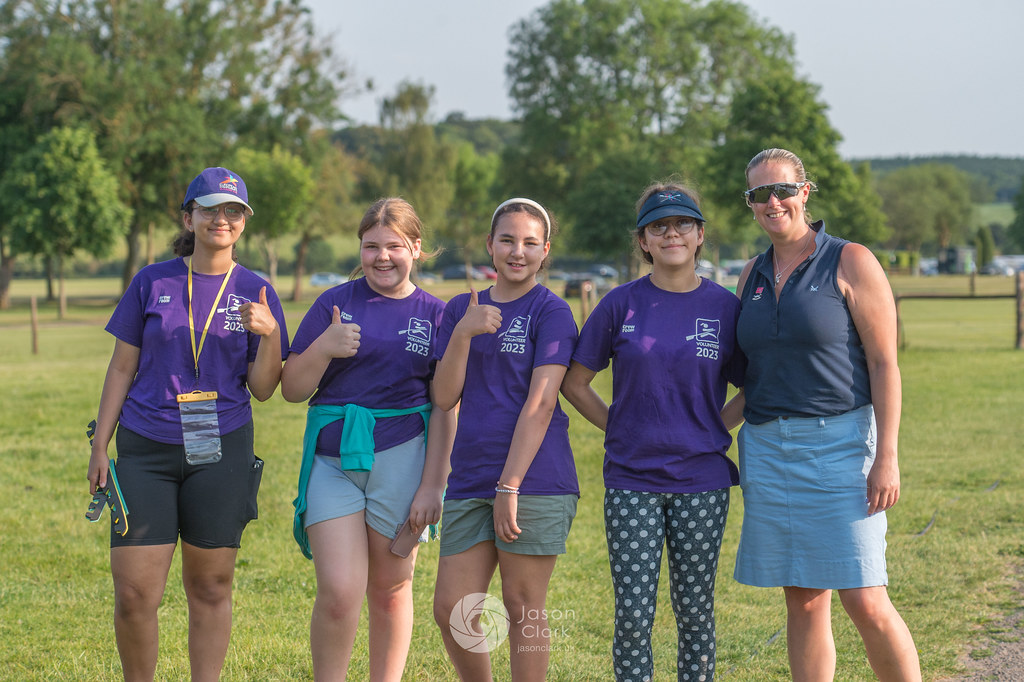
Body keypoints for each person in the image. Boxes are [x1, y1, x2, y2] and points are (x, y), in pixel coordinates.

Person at [87, 166, 288, 681]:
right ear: (189, 216)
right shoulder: (151, 281)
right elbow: (121, 366)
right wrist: (99, 446)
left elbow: (264, 388)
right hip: (145, 447)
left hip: (220, 450)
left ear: (243, 222)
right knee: (134, 594)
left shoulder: (257, 291)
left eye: (233, 211)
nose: (221, 219)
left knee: (211, 587)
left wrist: (269, 336)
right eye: (210, 209)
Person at [732, 148, 921, 681]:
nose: (772, 202)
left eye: (782, 190)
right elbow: (755, 376)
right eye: (758, 194)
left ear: (804, 192)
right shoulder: (751, 274)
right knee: (805, 600)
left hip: (840, 447)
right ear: (750, 205)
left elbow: (885, 364)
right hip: (768, 451)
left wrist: (887, 457)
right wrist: (702, 429)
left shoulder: (850, 260)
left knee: (864, 596)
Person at [561, 183, 746, 682]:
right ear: (643, 241)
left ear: (700, 234)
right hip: (631, 480)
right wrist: (618, 426)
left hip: (702, 481)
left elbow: (754, 389)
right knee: (634, 615)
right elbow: (575, 383)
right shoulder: (619, 305)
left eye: (682, 223)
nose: (671, 234)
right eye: (657, 227)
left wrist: (712, 430)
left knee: (696, 611)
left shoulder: (725, 308)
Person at [281, 197, 457, 682]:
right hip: (332, 461)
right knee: (338, 592)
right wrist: (324, 347)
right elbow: (293, 389)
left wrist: (432, 486)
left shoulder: (438, 314)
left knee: (391, 589)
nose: (382, 257)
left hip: (404, 460)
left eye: (394, 246)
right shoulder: (333, 303)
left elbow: (446, 405)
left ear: (416, 249)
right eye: (371, 246)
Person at [431, 198, 579, 681]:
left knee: (522, 606)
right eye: (508, 240)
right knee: (453, 608)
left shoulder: (552, 312)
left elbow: (540, 405)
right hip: (470, 476)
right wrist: (462, 336)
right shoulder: (461, 309)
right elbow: (444, 395)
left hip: (534, 480)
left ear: (545, 251)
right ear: (490, 247)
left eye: (530, 243)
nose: (518, 251)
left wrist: (510, 486)